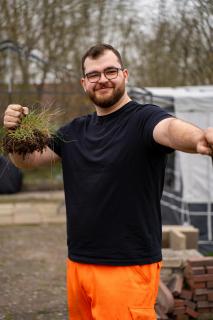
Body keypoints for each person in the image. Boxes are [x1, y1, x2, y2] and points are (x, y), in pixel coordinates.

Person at [3, 44, 213, 320]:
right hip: (78, 264)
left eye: (110, 71)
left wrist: (200, 139)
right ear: (83, 82)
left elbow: (170, 129)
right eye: (93, 74)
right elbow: (26, 161)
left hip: (126, 268)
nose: (102, 79)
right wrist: (14, 134)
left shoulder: (144, 119)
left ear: (124, 74)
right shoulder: (74, 131)